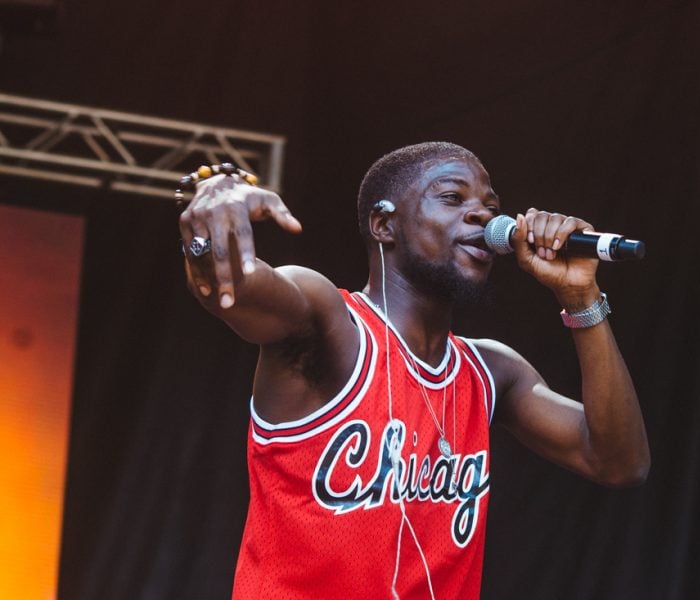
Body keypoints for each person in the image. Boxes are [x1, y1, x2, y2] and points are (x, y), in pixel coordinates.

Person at [178, 142, 650, 599]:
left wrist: (581, 298)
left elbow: (618, 462)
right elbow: (230, 287)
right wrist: (211, 215)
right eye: (451, 197)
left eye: (490, 205)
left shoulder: (491, 371)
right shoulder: (331, 323)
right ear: (385, 225)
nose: (483, 215)